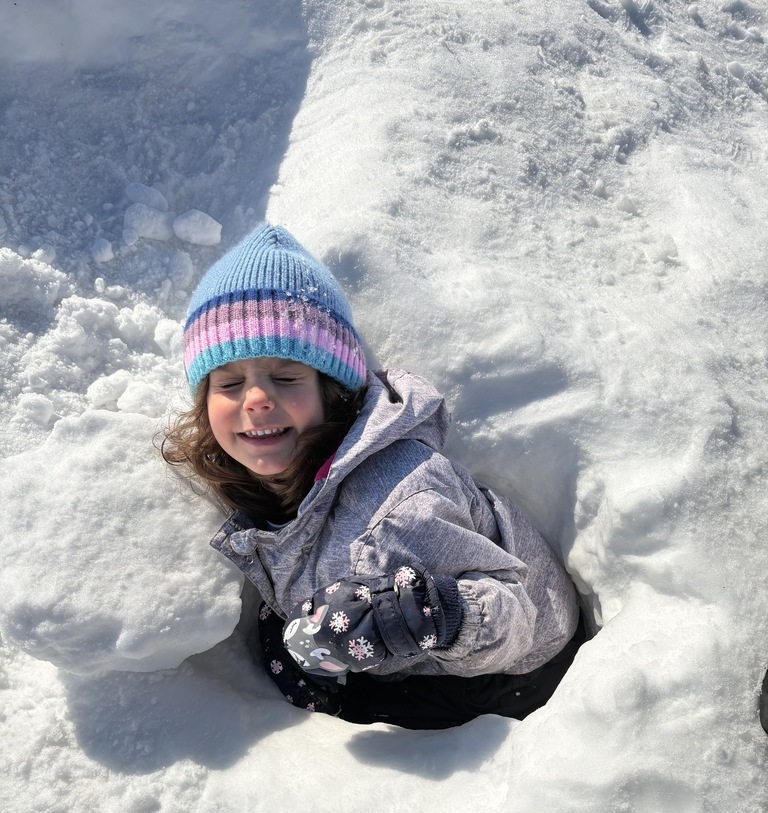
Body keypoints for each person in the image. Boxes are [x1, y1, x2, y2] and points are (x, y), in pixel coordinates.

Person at [163, 224, 584, 729]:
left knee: (361, 739)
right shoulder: (278, 478)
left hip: (506, 671)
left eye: (286, 377)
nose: (255, 399)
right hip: (421, 650)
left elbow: (514, 617)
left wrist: (424, 615)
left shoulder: (398, 508)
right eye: (229, 382)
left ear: (331, 392)